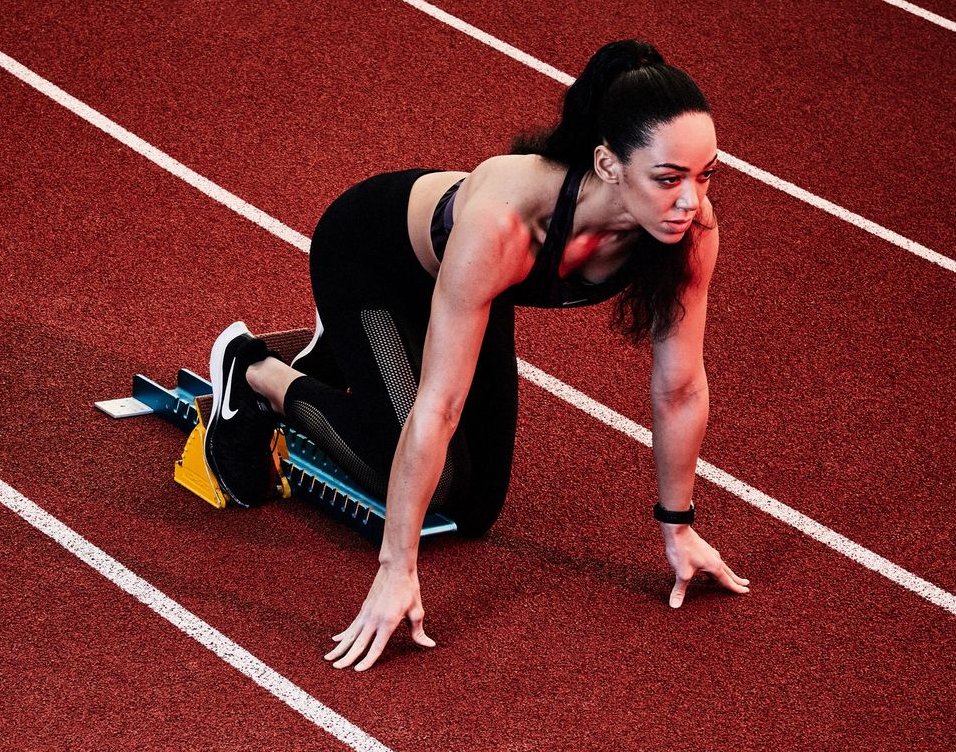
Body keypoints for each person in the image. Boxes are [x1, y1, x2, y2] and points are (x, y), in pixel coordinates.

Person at [202, 39, 749, 672]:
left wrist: (676, 527)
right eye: (669, 178)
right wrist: (395, 567)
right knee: (422, 478)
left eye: (705, 175)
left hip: (468, 292)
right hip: (372, 264)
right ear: (607, 164)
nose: (691, 200)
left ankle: (341, 354)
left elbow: (679, 387)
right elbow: (439, 406)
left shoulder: (689, 231)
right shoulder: (506, 225)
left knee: (474, 506)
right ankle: (257, 371)